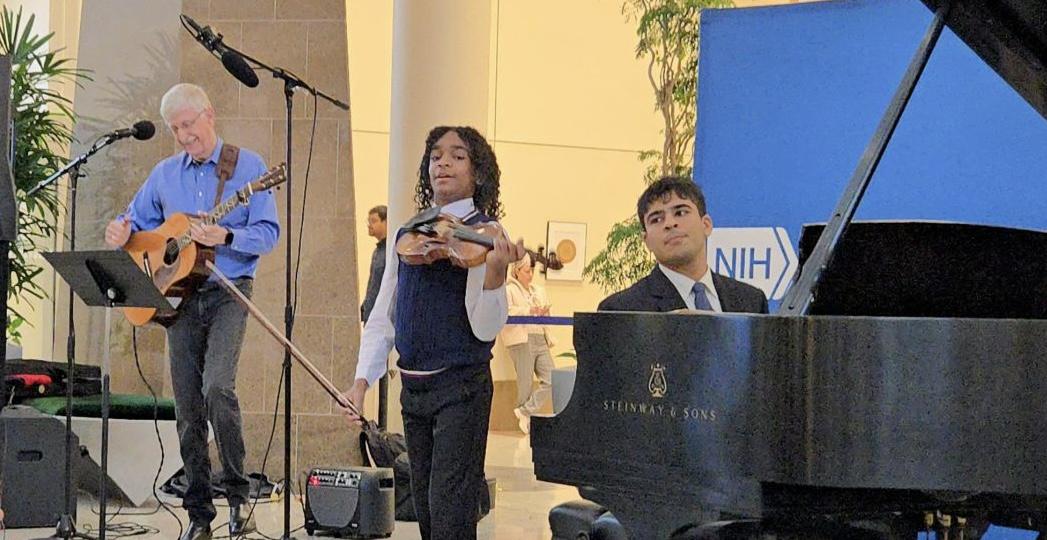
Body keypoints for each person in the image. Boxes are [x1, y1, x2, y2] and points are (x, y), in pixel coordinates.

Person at [104, 83, 279, 540]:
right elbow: (136, 223)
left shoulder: (249, 167)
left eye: (188, 125)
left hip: (228, 290)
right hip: (177, 297)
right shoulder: (163, 174)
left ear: (209, 115)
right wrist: (121, 231)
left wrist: (227, 237)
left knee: (218, 388)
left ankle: (239, 499)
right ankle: (199, 515)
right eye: (175, 129)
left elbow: (268, 232)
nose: (183, 136)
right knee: (187, 406)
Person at [342, 126, 525, 540]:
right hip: (414, 388)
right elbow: (384, 313)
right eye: (436, 155)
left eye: (458, 155)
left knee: (451, 511)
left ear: (478, 173)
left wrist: (495, 273)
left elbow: (485, 327)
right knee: (425, 509)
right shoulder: (410, 232)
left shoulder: (487, 234)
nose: (443, 162)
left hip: (461, 387)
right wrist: (360, 381)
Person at [599, 175, 767, 313]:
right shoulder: (621, 310)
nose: (670, 223)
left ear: (706, 225)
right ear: (646, 241)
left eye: (680, 212)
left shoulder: (751, 302)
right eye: (657, 219)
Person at [500, 253, 554, 435]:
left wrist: (543, 311)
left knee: (551, 379)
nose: (530, 275)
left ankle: (525, 411)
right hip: (522, 339)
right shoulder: (508, 290)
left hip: (540, 337)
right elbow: (506, 313)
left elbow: (543, 313)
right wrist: (529, 310)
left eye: (531, 270)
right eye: (526, 271)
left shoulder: (537, 290)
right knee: (526, 382)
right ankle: (525, 416)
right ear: (516, 271)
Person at [360, 204, 388, 324]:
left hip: (381, 317)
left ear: (386, 222)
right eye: (369, 221)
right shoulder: (377, 252)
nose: (369, 225)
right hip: (371, 314)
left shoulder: (389, 252)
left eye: (374, 221)